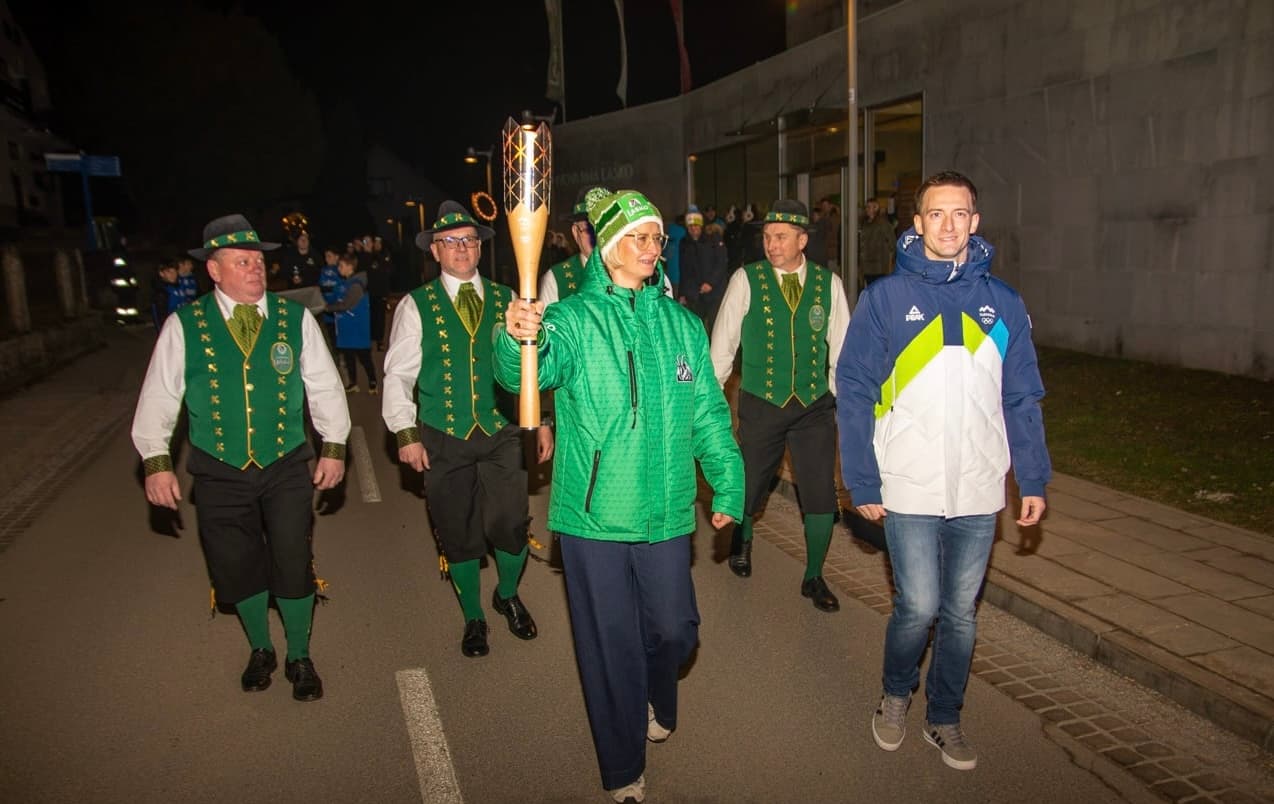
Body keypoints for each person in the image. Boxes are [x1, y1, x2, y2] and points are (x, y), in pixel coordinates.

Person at [497, 187, 743, 804]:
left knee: (676, 630)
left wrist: (729, 480)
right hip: (592, 516)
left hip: (665, 511)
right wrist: (515, 337)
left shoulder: (683, 326)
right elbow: (527, 371)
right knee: (610, 647)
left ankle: (658, 692)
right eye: (638, 236)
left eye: (656, 237)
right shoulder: (574, 320)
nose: (650, 246)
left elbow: (709, 415)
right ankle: (622, 766)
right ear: (606, 249)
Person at [836, 171, 1050, 770]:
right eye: (937, 214)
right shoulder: (885, 299)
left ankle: (945, 716)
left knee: (961, 614)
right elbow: (853, 388)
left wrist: (1030, 477)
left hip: (980, 489)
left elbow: (1021, 395)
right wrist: (863, 479)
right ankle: (896, 693)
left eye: (960, 214)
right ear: (918, 223)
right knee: (920, 607)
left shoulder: (1004, 303)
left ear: (975, 222)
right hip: (908, 483)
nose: (949, 225)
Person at [131, 213, 350, 702]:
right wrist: (156, 460)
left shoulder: (296, 319)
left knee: (293, 559)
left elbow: (324, 387)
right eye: (241, 261)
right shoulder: (183, 325)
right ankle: (260, 649)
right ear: (214, 269)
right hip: (218, 468)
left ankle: (299, 655)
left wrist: (333, 447)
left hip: (288, 461)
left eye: (257, 260)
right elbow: (159, 397)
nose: (255, 269)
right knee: (236, 563)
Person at [381, 201, 550, 658]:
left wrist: (543, 420)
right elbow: (398, 374)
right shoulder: (416, 305)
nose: (462, 248)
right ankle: (474, 617)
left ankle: (508, 595)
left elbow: (534, 366)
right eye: (451, 241)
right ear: (435, 251)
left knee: (510, 525)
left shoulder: (507, 298)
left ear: (480, 248)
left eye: (470, 240)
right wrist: (405, 432)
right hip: (443, 434)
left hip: (501, 431)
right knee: (457, 532)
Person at [709, 199, 851, 611]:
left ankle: (814, 576)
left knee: (820, 490)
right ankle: (744, 538)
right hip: (762, 401)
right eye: (768, 237)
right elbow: (723, 346)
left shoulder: (829, 284)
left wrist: (846, 404)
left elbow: (841, 349)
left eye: (781, 237)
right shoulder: (746, 279)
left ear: (802, 240)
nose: (772, 244)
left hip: (813, 405)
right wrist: (710, 402)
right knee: (751, 482)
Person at [325, 252, 377, 394]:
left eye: (341, 266)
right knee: (349, 358)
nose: (339, 268)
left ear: (350, 267)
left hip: (357, 329)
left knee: (364, 358)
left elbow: (347, 304)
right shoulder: (346, 282)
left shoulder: (356, 285)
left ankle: (373, 382)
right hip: (347, 329)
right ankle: (353, 383)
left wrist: (327, 308)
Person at [678, 206, 729, 332]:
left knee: (716, 327)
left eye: (696, 226)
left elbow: (721, 263)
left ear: (701, 226)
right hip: (695, 294)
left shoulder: (713, 239)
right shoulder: (685, 243)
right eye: (690, 226)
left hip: (714, 293)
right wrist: (682, 293)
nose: (693, 229)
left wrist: (711, 283)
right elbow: (684, 269)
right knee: (695, 327)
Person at [539, 191, 593, 305]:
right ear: (575, 232)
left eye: (605, 229)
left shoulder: (634, 274)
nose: (597, 236)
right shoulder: (556, 280)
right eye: (589, 229)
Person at [859, 197, 896, 288]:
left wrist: (890, 262)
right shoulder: (865, 223)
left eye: (869, 207)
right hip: (867, 265)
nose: (867, 209)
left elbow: (892, 242)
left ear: (876, 208)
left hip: (879, 266)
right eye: (866, 207)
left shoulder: (883, 223)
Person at [150, 260, 187, 329]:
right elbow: (160, 317)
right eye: (169, 272)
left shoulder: (180, 287)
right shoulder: (161, 292)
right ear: (161, 273)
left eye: (174, 271)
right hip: (171, 328)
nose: (173, 274)